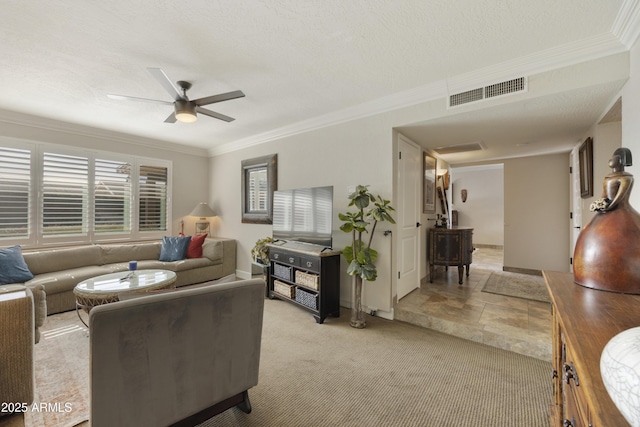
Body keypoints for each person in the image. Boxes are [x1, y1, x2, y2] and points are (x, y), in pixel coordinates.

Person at [574, 147, 640, 293]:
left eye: (614, 158)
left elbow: (620, 197)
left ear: (620, 161)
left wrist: (610, 206)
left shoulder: (626, 178)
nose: (611, 160)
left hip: (618, 210)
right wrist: (600, 204)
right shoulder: (608, 178)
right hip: (605, 210)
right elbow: (605, 195)